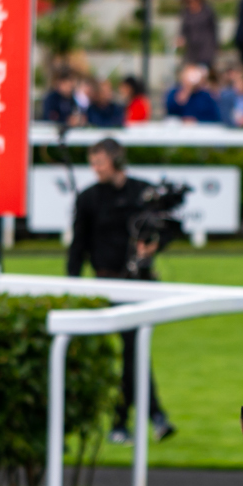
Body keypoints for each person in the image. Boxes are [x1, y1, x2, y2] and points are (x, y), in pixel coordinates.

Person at [66, 138, 172, 442]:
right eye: (92, 163)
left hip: (141, 282)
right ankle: (151, 416)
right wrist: (70, 286)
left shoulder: (143, 192)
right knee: (133, 348)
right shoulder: (88, 198)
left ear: (116, 161)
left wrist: (154, 246)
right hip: (109, 283)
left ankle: (124, 420)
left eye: (100, 162)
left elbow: (167, 227)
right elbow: (78, 245)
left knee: (133, 349)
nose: (95, 168)